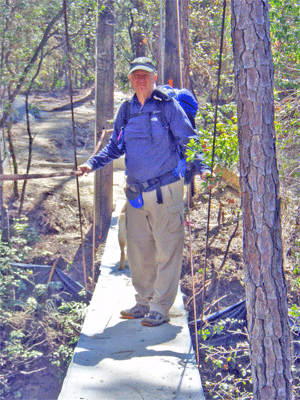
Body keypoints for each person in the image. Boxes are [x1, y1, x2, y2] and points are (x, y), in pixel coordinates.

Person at [78, 57, 212, 327]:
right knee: (139, 251)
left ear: (154, 77)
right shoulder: (126, 110)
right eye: (136, 76)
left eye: (145, 75)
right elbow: (115, 146)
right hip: (136, 192)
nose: (140, 80)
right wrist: (91, 164)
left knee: (167, 249)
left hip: (166, 191)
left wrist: (202, 167)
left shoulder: (168, 107)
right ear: (130, 79)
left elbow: (189, 140)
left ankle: (160, 307)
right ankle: (143, 302)